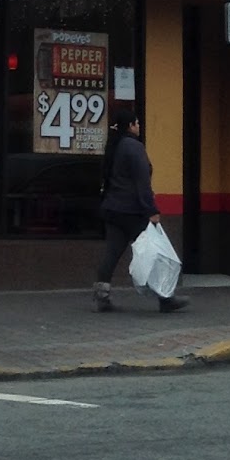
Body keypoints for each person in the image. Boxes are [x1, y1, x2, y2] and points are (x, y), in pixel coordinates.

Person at [92, 108, 188, 314]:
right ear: (130, 126)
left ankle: (102, 296)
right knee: (156, 252)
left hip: (113, 208)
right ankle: (165, 298)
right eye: (137, 123)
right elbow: (142, 182)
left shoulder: (114, 145)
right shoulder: (133, 147)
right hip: (132, 211)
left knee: (112, 251)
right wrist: (151, 210)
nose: (139, 126)